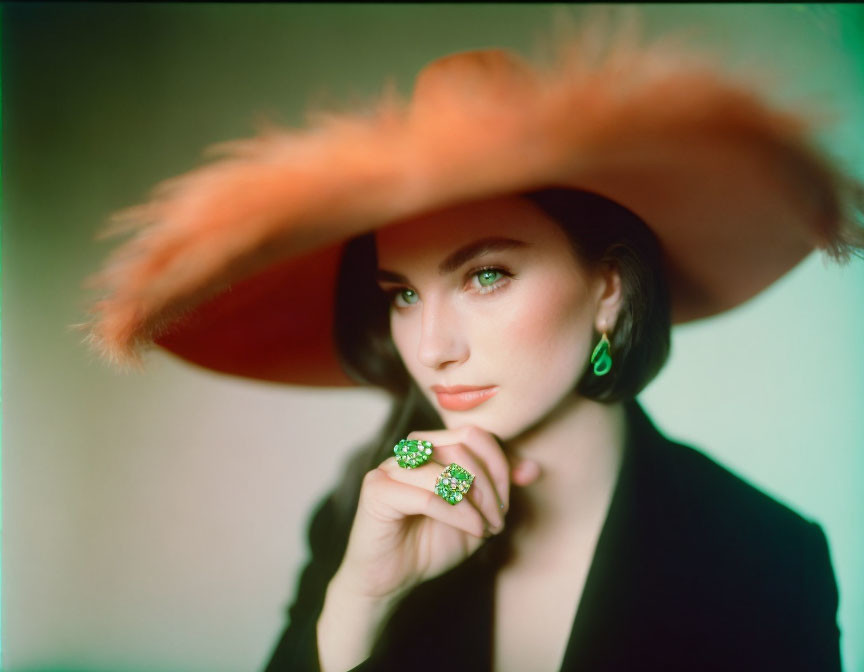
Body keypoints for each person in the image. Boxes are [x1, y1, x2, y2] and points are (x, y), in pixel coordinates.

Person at [80, 14, 863, 672]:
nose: (434, 346)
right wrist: (356, 611)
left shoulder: (763, 554)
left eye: (487, 276)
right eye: (403, 294)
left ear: (609, 290)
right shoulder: (361, 512)